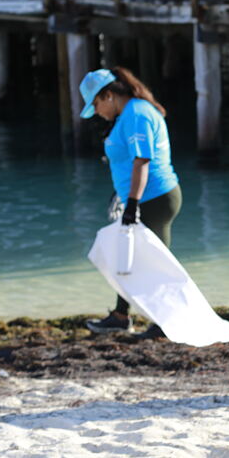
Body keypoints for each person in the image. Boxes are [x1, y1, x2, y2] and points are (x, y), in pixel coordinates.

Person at [80, 67, 182, 339]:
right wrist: (121, 195)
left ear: (109, 95)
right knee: (128, 258)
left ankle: (163, 322)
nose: (97, 112)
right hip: (146, 197)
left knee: (153, 262)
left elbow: (142, 160)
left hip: (154, 198)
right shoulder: (131, 113)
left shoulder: (136, 114)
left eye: (96, 104)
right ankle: (120, 316)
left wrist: (133, 204)